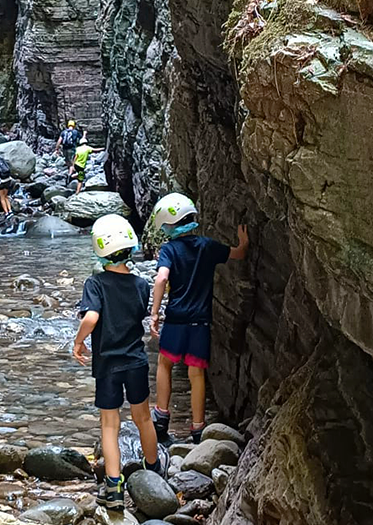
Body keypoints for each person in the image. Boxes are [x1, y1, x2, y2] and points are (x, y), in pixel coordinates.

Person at [73, 214, 164, 510]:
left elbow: (91, 317)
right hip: (136, 360)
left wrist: (78, 340)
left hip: (109, 364)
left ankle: (113, 487)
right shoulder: (140, 284)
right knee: (143, 418)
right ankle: (153, 471)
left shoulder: (95, 283)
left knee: (110, 426)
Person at [148, 193, 249, 444]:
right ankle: (197, 429)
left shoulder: (169, 250)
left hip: (176, 319)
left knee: (165, 363)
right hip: (200, 320)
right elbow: (238, 253)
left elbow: (161, 278)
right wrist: (244, 242)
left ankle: (161, 420)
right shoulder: (207, 246)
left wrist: (154, 312)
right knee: (196, 372)